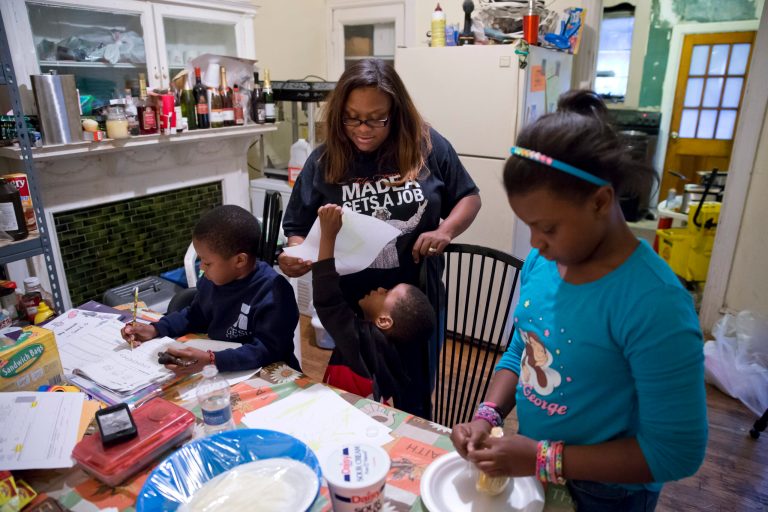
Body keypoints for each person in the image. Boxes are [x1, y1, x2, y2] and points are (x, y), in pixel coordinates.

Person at [450, 90, 707, 511]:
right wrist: (489, 414)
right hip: (539, 468)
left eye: (547, 227)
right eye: (528, 226)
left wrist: (540, 458)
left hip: (609, 493)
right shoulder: (544, 261)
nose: (534, 243)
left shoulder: (654, 304)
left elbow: (676, 453)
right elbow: (525, 347)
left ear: (601, 201)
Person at [280, 58, 481, 416]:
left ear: (397, 112)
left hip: (415, 306)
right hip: (354, 313)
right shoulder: (323, 161)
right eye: (352, 117)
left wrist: (445, 230)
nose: (364, 128)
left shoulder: (427, 146)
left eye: (377, 118)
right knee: (358, 400)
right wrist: (297, 254)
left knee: (414, 400)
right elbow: (297, 227)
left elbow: (469, 196)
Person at [121, 205, 300, 375]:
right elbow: (194, 316)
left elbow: (268, 350)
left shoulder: (274, 292)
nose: (202, 269)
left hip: (270, 374)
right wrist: (155, 329)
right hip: (221, 367)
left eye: (207, 263)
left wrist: (212, 360)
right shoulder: (212, 280)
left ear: (240, 261)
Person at [312, 204, 436, 411]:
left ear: (384, 321)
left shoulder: (358, 341)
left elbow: (327, 300)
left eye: (387, 293)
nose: (379, 288)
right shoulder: (399, 361)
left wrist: (328, 235)